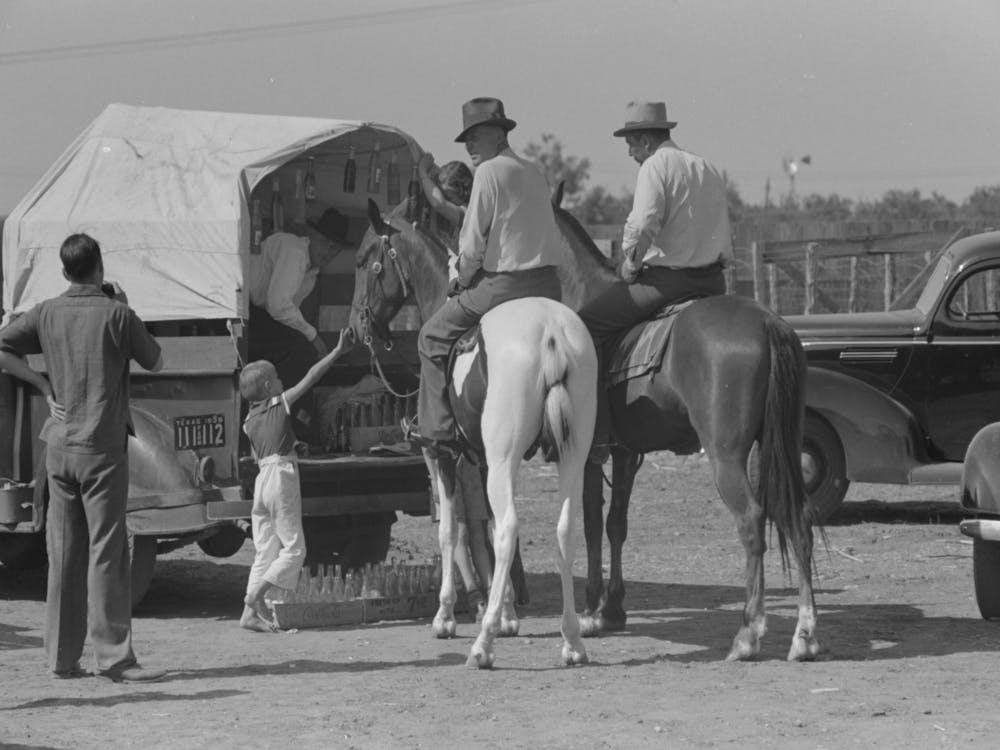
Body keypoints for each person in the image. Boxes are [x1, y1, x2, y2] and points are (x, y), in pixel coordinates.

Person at [0, 233, 166, 683]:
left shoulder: (47, 312)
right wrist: (129, 310)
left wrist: (41, 385)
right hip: (102, 450)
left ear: (64, 271)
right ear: (99, 269)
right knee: (107, 552)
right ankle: (114, 659)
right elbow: (155, 359)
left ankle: (61, 658)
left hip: (58, 447)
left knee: (64, 554)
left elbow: (3, 347)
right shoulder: (117, 314)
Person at [578, 101, 734, 460]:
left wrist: (630, 265)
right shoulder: (706, 167)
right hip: (713, 283)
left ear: (646, 141)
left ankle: (598, 434)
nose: (631, 153)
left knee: (586, 327)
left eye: (631, 144)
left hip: (669, 282)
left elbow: (643, 221)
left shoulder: (654, 166)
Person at [412, 97, 564, 456]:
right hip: (549, 288)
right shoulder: (534, 170)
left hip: (504, 287)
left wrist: (462, 281)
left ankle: (437, 431)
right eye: (466, 138)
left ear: (498, 134)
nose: (468, 145)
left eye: (475, 136)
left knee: (430, 337)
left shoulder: (488, 172)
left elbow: (473, 243)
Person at [238, 329, 354, 632]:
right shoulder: (278, 403)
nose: (281, 382)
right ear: (268, 386)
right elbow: (312, 376)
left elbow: (257, 454)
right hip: (281, 476)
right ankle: (256, 596)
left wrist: (290, 445)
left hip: (263, 479)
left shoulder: (248, 421)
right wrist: (338, 351)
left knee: (265, 550)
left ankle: (248, 616)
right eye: (277, 379)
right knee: (294, 549)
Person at [247, 206, 352, 444]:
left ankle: (294, 422)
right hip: (252, 316)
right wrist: (313, 337)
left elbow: (287, 313)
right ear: (313, 238)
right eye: (326, 243)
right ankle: (297, 427)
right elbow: (278, 305)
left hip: (267, 320)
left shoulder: (312, 273)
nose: (330, 252)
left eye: (335, 248)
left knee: (302, 351)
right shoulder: (294, 250)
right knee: (301, 348)